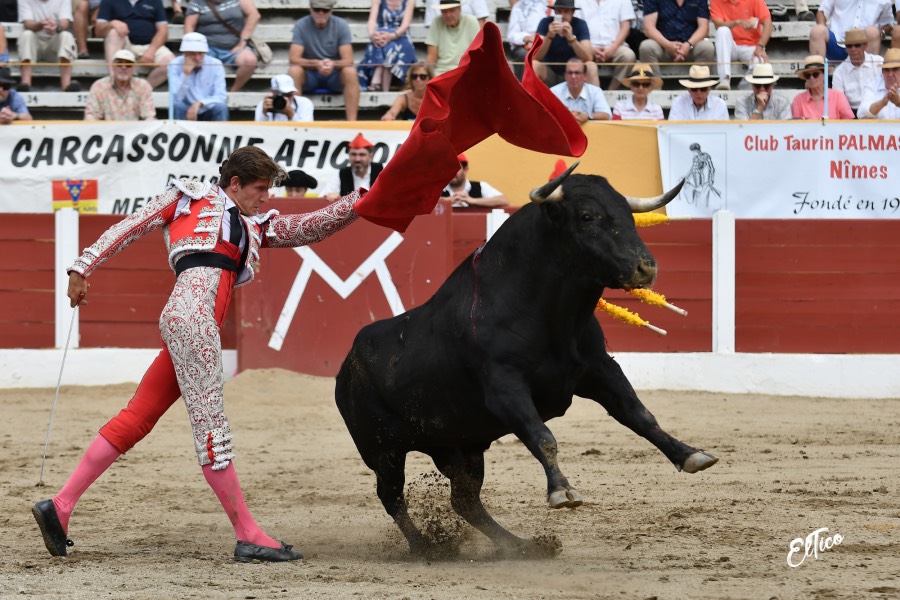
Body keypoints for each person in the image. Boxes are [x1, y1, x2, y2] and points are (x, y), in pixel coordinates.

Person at [31, 146, 368, 563]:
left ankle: (60, 505)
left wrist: (360, 200)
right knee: (212, 431)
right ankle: (248, 534)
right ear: (235, 184)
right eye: (260, 189)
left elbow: (308, 228)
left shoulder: (251, 223)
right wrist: (82, 267)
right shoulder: (188, 197)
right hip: (194, 321)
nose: (266, 198)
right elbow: (132, 225)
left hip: (191, 322)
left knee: (138, 416)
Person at [288, 0, 360, 121]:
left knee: (350, 72)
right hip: (310, 74)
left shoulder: (341, 25)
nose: (321, 13)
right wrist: (316, 64)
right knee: (294, 71)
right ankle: (295, 119)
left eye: (325, 10)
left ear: (331, 10)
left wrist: (333, 64)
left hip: (334, 75)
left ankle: (352, 122)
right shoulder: (301, 25)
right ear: (310, 9)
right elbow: (293, 59)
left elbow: (348, 60)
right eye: (317, 9)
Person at [183, 0, 261, 92]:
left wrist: (243, 41)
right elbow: (189, 26)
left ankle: (234, 90)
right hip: (207, 48)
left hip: (234, 46)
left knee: (250, 60)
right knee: (197, 62)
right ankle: (205, 92)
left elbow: (254, 15)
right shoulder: (197, 2)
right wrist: (191, 49)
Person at [95, 0, 174, 88]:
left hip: (150, 45)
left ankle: (141, 89)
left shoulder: (155, 1)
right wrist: (111, 23)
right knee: (113, 33)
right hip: (124, 44)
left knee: (172, 64)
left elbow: (163, 31)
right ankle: (114, 81)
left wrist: (151, 50)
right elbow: (98, 31)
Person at [639, 0, 716, 79]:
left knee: (707, 47)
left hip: (691, 47)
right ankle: (653, 85)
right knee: (646, 46)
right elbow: (649, 28)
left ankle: (698, 84)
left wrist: (688, 45)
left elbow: (704, 28)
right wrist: (668, 45)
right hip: (662, 46)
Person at [17, 0, 80, 92]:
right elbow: (28, 24)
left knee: (66, 35)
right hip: (34, 45)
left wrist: (56, 27)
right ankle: (25, 83)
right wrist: (41, 24)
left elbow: (65, 22)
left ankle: (66, 84)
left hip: (54, 46)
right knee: (26, 35)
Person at [710, 0, 772, 91]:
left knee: (761, 65)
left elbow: (768, 24)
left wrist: (760, 46)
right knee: (722, 30)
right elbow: (717, 25)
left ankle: (743, 88)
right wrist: (736, 22)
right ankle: (724, 79)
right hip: (730, 46)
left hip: (751, 46)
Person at [575, 0, 636, 90]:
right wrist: (590, 49)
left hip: (615, 46)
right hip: (587, 46)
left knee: (628, 56)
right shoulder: (578, 1)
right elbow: (575, 26)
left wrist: (612, 49)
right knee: (577, 57)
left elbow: (625, 28)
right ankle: (596, 96)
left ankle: (611, 91)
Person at [358, 0, 417, 91]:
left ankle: (377, 80)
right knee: (381, 43)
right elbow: (371, 21)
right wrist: (372, 35)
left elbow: (405, 24)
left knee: (390, 46)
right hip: (382, 34)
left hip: (400, 36)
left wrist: (392, 36)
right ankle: (384, 87)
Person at [533, 0, 595, 86]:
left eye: (566, 11)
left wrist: (571, 39)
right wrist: (549, 36)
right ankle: (527, 95)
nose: (562, 15)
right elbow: (535, 56)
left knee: (591, 66)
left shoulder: (580, 24)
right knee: (534, 64)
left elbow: (588, 57)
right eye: (559, 11)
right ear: (554, 12)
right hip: (550, 72)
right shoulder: (545, 23)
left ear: (572, 12)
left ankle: (595, 95)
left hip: (574, 72)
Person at [169, 31, 229, 121]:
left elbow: (221, 96)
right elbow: (176, 98)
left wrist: (200, 103)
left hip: (207, 108)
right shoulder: (174, 64)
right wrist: (185, 74)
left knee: (220, 107)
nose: (197, 58)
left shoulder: (215, 64)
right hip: (186, 108)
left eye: (200, 53)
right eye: (193, 54)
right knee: (178, 106)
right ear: (185, 54)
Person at [84, 49, 157, 120]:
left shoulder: (143, 86)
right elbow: (91, 115)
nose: (123, 67)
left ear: (134, 68)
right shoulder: (99, 86)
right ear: (112, 66)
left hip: (136, 128)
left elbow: (149, 116)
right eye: (119, 64)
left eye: (128, 64)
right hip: (106, 128)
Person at [809, 0, 893, 61]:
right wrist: (822, 26)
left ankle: (870, 74)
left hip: (864, 45)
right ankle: (817, 74)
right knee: (818, 30)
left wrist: (880, 33)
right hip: (837, 42)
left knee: (873, 32)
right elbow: (822, 12)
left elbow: (889, 24)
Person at [832, 28, 884, 112]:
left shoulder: (879, 62)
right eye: (849, 46)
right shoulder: (839, 72)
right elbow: (839, 102)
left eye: (857, 45)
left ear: (865, 45)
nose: (853, 49)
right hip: (852, 113)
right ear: (846, 48)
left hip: (878, 109)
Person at [321, 133, 383, 201]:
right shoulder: (342, 174)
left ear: (370, 156)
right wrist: (331, 196)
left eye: (362, 155)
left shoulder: (382, 171)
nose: (357, 159)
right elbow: (323, 197)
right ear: (349, 156)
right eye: (353, 154)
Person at [791, 54, 854, 119]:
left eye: (815, 74)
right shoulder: (798, 100)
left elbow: (849, 121)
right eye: (808, 75)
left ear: (824, 75)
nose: (811, 78)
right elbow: (795, 124)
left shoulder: (838, 96)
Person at [549, 57, 611, 123]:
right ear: (565, 76)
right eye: (570, 73)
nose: (573, 76)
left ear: (585, 76)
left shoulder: (595, 91)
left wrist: (588, 116)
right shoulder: (554, 92)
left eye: (577, 73)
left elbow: (606, 115)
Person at [425, 2, 480, 76]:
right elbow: (432, 56)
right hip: (441, 73)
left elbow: (477, 53)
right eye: (444, 11)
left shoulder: (471, 21)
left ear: (459, 9)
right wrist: (428, 75)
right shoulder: (436, 21)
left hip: (465, 71)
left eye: (452, 10)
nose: (448, 15)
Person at [442, 153, 509, 208]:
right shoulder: (438, 189)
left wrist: (473, 200)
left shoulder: (480, 186)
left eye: (456, 168)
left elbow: (503, 200)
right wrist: (446, 201)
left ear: (465, 169)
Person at [505, 0, 549, 80]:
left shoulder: (552, 4)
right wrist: (526, 38)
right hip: (525, 45)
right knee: (523, 55)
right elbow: (512, 35)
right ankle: (523, 86)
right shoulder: (518, 7)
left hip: (547, 43)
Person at [858, 48, 900, 119]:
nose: (890, 75)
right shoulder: (872, 86)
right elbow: (861, 114)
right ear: (882, 72)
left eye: (895, 69)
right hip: (880, 126)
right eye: (886, 70)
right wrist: (882, 103)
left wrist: (898, 102)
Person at [685, 142, 720, 208]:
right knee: (695, 191)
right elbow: (692, 168)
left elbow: (711, 169)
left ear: (697, 150)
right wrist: (686, 177)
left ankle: (701, 206)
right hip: (694, 176)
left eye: (693, 151)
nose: (693, 153)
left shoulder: (705, 156)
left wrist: (710, 180)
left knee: (700, 191)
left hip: (699, 176)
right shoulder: (695, 157)